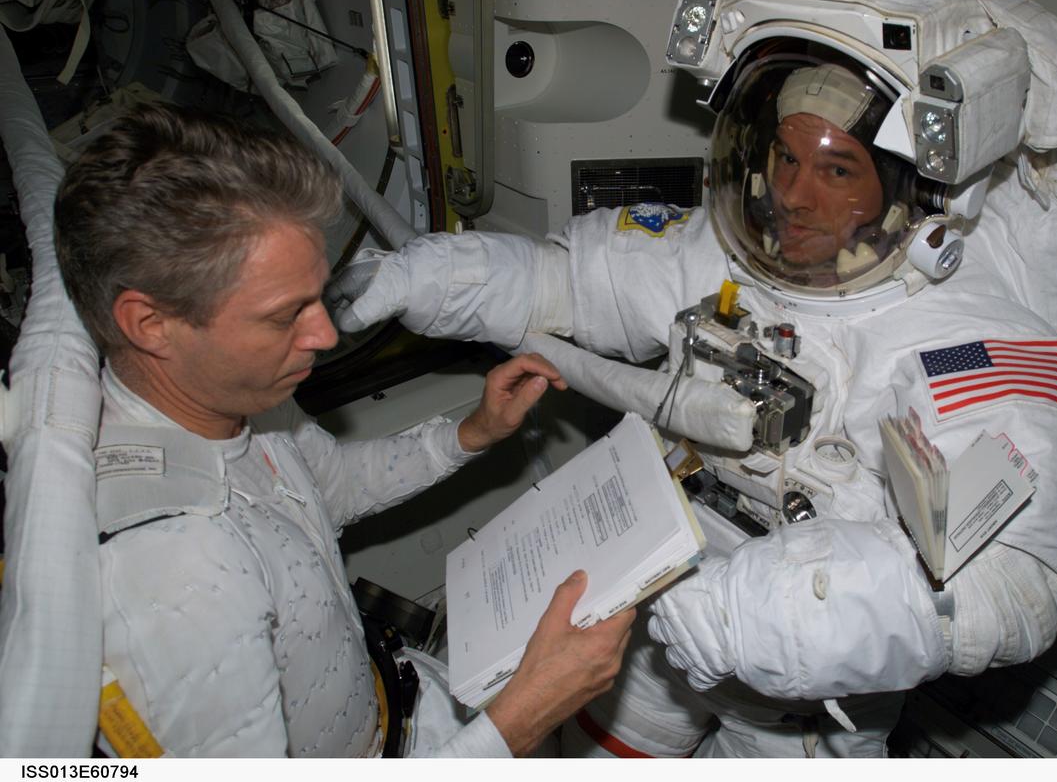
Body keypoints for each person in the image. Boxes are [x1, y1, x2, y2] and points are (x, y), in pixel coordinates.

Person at [325, 0, 1057, 758]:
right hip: (664, 570)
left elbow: (1027, 571)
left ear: (908, 183)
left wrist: (772, 614)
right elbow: (563, 284)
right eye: (786, 156)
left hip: (802, 666)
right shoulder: (727, 255)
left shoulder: (961, 336)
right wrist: (424, 276)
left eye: (838, 172)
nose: (796, 196)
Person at [52, 103, 635, 758]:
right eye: (285, 315)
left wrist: (469, 432)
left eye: (318, 296)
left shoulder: (233, 395)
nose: (325, 335)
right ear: (149, 323)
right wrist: (523, 719)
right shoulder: (168, 584)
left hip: (398, 701)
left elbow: (326, 485)